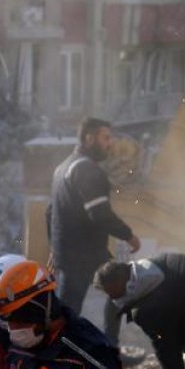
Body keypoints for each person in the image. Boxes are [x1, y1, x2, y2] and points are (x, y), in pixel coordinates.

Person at [47, 117, 140, 343]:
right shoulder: (87, 170)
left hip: (72, 252)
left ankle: (74, 348)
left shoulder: (63, 167)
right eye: (105, 138)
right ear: (89, 138)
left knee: (113, 291)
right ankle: (104, 348)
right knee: (114, 291)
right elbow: (100, 214)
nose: (109, 144)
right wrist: (128, 235)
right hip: (84, 253)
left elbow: (51, 212)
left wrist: (54, 247)